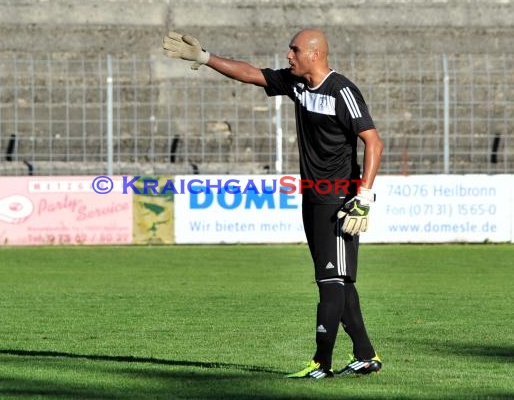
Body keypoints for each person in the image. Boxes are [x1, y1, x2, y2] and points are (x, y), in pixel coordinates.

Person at [162, 28, 384, 378]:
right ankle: (366, 355)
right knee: (337, 280)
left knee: (331, 282)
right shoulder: (297, 85)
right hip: (312, 196)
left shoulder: (342, 91)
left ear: (315, 54)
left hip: (339, 199)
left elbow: (373, 141)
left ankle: (320, 364)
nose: (288, 55)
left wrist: (364, 197)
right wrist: (206, 58)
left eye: (294, 50)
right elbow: (252, 74)